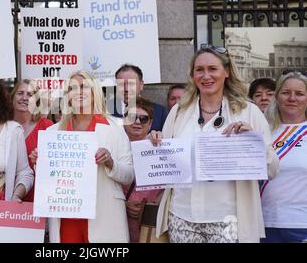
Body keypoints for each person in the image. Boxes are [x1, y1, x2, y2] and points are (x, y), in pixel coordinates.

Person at [155, 45, 279, 243]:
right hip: (182, 215)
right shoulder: (179, 112)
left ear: (227, 72)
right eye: (199, 70)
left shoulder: (249, 112)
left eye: (212, 69)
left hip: (229, 218)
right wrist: (156, 144)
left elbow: (272, 170)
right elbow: (167, 160)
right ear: (192, 75)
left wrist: (253, 142)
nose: (206, 76)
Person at [30, 70, 134, 243]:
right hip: (67, 216)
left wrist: (110, 162)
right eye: (72, 88)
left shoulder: (114, 128)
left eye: (84, 87)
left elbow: (129, 175)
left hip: (104, 214)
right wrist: (39, 162)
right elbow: (47, 179)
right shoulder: (53, 132)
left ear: (94, 91)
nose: (78, 92)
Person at [261, 70, 307, 243]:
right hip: (264, 223)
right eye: (286, 92)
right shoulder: (263, 130)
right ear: (277, 96)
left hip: (302, 224)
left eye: (300, 94)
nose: (292, 98)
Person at [123, 97, 163, 242]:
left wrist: (152, 205)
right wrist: (124, 202)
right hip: (119, 218)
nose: (137, 122)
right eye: (132, 117)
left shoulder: (161, 146)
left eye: (144, 118)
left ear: (151, 122)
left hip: (151, 221)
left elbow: (171, 185)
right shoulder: (113, 145)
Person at [11, 79, 53, 202]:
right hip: (5, 201)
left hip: (38, 200)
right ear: (12, 98)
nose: (24, 98)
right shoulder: (1, 126)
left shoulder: (47, 127)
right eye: (20, 93)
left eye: (30, 95)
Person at [113, 64, 167, 132]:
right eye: (121, 84)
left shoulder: (159, 112)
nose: (126, 89)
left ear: (141, 85)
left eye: (131, 84)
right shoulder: (104, 111)